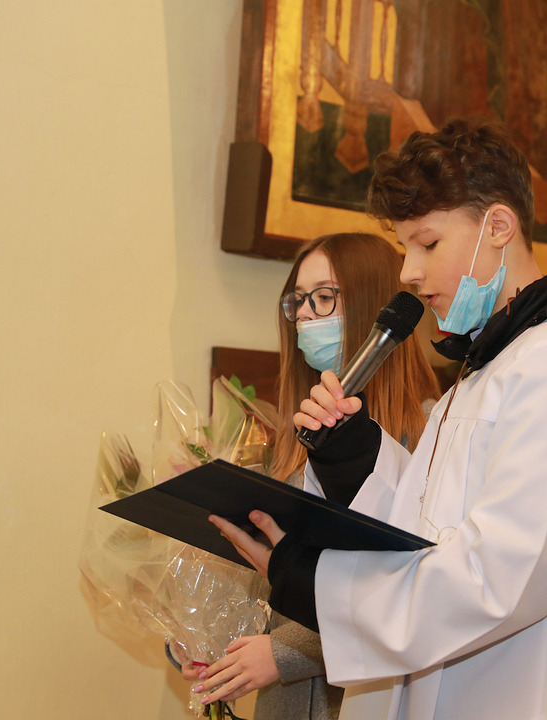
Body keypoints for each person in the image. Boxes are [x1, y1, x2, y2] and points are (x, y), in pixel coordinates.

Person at [209, 118, 547, 719]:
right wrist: (356, 458)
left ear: (499, 227)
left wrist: (310, 578)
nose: (408, 270)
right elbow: (428, 535)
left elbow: (495, 577)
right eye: (405, 246)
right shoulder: (487, 371)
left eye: (427, 244)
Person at [183, 232, 440, 719]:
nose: (304, 314)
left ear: (371, 305)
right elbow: (274, 572)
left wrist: (284, 653)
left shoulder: (430, 432)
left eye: (323, 297)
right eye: (297, 300)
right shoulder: (289, 437)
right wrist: (204, 630)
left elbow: (415, 594)